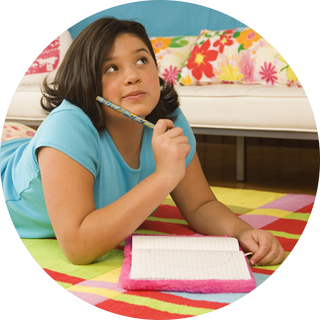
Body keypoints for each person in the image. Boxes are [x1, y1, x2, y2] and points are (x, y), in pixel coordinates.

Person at [0, 17, 286, 266]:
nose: (133, 76)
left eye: (141, 60)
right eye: (111, 68)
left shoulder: (169, 118)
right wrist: (164, 177)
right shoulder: (67, 126)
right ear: (87, 82)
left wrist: (242, 232)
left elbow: (199, 205)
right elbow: (77, 247)